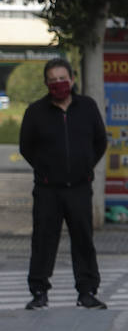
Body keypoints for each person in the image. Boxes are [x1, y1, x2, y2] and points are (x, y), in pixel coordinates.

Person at [18, 57, 109, 310]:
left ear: (72, 79)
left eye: (63, 79)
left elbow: (100, 141)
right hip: (48, 189)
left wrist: (85, 166)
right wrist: (46, 171)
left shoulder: (87, 107)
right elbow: (26, 147)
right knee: (43, 241)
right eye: (53, 80)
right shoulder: (35, 112)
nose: (59, 84)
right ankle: (39, 292)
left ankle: (87, 291)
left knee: (83, 240)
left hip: (79, 187)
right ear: (46, 83)